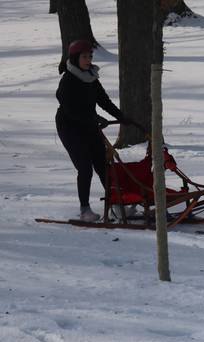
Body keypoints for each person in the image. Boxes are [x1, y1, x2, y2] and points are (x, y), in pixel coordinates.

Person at [56, 39, 129, 222]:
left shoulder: (90, 77)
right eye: (84, 56)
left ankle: (117, 204)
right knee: (85, 167)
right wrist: (95, 119)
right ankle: (85, 210)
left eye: (90, 56)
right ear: (74, 58)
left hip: (89, 124)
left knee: (103, 165)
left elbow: (103, 100)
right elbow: (71, 111)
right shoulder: (68, 81)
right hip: (70, 127)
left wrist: (121, 116)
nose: (88, 59)